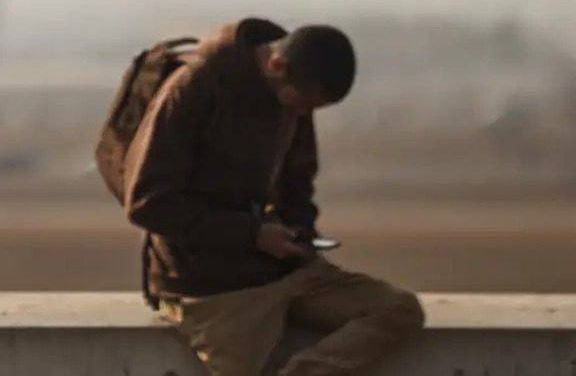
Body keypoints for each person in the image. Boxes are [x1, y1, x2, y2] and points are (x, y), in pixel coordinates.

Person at [123, 18, 424, 375]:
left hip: (277, 269)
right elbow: (148, 202)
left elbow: (297, 180)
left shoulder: (292, 96)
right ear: (277, 65)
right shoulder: (195, 88)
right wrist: (251, 234)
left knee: (397, 310)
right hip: (208, 285)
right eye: (299, 105)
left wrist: (299, 231)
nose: (300, 116)